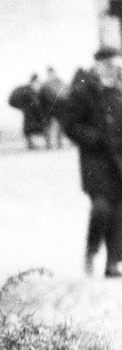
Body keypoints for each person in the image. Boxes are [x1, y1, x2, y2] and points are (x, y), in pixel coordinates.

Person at [61, 48, 122, 277]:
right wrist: (93, 138)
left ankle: (113, 262)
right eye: (106, 64)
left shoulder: (118, 90)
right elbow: (69, 124)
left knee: (118, 212)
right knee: (102, 208)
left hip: (118, 160)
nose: (111, 68)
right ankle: (91, 249)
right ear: (97, 65)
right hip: (94, 160)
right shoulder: (84, 92)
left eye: (114, 64)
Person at [8, 74, 52, 149]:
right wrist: (41, 115)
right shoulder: (30, 91)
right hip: (32, 114)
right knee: (42, 127)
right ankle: (47, 144)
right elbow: (36, 105)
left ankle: (31, 145)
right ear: (34, 81)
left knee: (28, 130)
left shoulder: (26, 90)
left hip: (28, 114)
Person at [39, 67, 68, 150]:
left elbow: (65, 93)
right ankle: (48, 144)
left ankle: (59, 142)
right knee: (48, 126)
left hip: (58, 108)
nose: (50, 75)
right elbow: (41, 98)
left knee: (60, 126)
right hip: (48, 109)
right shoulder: (45, 85)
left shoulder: (59, 82)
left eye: (51, 73)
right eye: (49, 73)